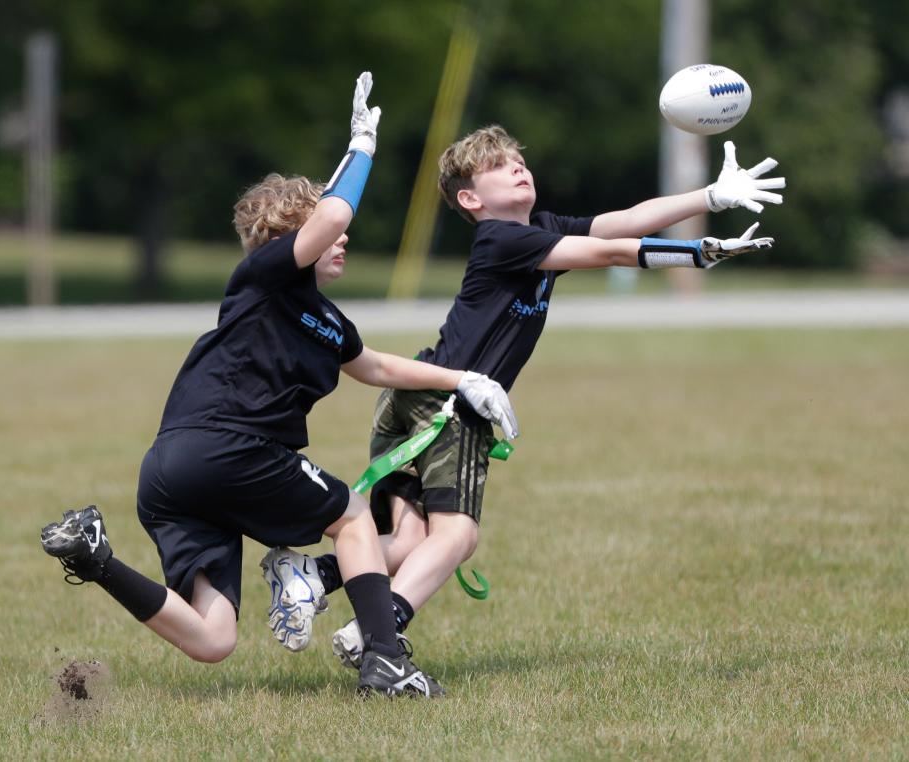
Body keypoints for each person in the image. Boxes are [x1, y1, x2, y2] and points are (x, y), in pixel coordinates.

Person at [38, 76, 518, 699]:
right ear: (293, 239)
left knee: (213, 640)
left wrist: (465, 379)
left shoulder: (325, 318)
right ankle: (384, 658)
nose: (342, 236)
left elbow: (372, 366)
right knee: (351, 517)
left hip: (170, 472)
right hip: (227, 447)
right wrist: (362, 149)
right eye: (324, 228)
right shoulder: (263, 277)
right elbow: (338, 213)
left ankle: (95, 557)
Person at [275, 123, 785, 669]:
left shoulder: (540, 229)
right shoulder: (502, 239)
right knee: (458, 536)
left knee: (411, 538)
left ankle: (315, 575)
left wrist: (709, 197)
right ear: (470, 199)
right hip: (451, 402)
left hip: (415, 390)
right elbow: (612, 252)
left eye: (518, 160)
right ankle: (379, 631)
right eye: (498, 166)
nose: (518, 167)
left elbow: (626, 220)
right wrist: (696, 253)